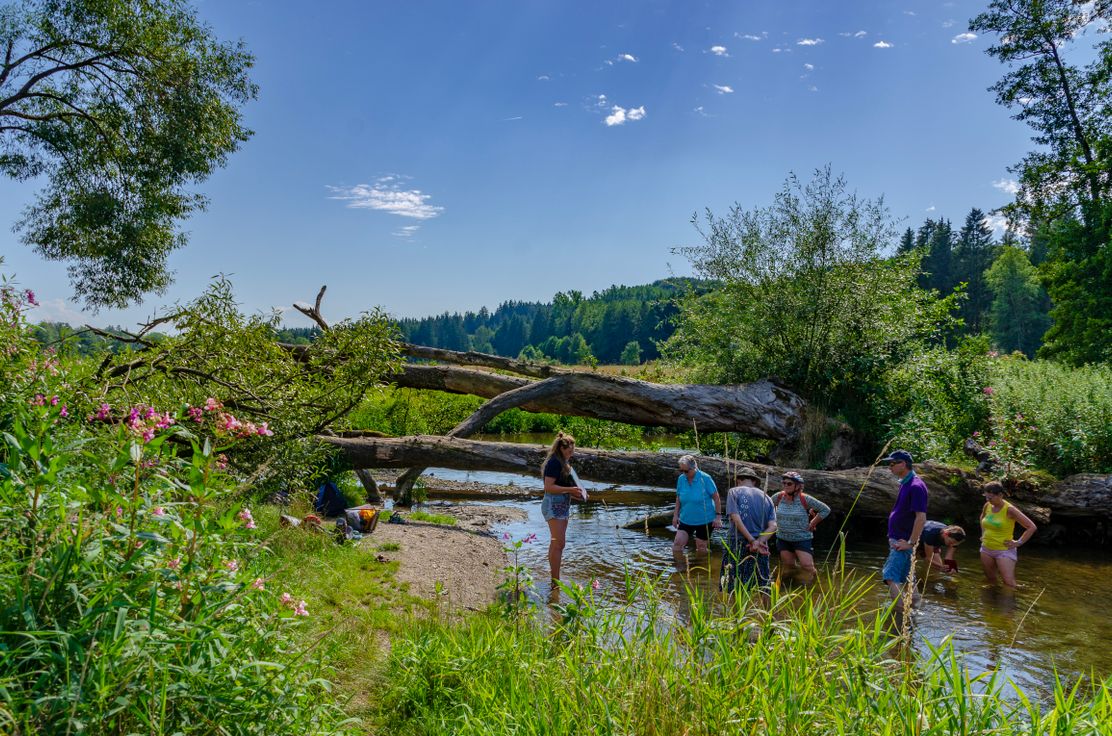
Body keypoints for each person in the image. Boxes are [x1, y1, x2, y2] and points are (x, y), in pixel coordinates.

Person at [881, 450, 928, 606]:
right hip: (901, 538)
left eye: (892, 464)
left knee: (890, 576)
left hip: (902, 540)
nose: (890, 467)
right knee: (909, 579)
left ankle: (900, 613)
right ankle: (916, 609)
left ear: (903, 464)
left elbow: (921, 518)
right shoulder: (906, 483)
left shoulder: (915, 486)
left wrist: (910, 543)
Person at [721, 466, 777, 598]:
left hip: (738, 542)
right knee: (763, 584)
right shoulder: (767, 497)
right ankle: (767, 611)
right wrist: (759, 541)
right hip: (761, 546)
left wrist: (751, 540)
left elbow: (736, 519)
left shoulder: (733, 491)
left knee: (733, 582)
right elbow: (773, 526)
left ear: (738, 480)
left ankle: (736, 611)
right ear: (754, 481)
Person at [541, 431, 586, 583]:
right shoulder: (554, 462)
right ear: (561, 448)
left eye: (573, 450)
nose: (571, 453)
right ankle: (555, 582)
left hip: (562, 505)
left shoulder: (564, 463)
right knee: (559, 544)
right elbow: (548, 487)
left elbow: (563, 488)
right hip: (553, 505)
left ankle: (554, 580)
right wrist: (570, 490)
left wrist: (577, 494)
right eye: (569, 450)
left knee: (557, 544)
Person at [770, 471, 831, 579]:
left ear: (798, 486)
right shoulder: (778, 497)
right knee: (789, 565)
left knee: (807, 566)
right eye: (784, 483)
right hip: (783, 538)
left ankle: (817, 583)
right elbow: (766, 507)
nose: (785, 485)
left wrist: (813, 522)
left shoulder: (804, 499)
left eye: (789, 483)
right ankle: (792, 584)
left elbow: (825, 510)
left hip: (802, 538)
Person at [979, 481, 1037, 588]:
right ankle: (992, 598)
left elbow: (1031, 527)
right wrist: (983, 533)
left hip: (1004, 550)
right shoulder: (987, 505)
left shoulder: (1010, 510)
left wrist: (1018, 543)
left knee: (1009, 583)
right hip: (986, 549)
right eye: (986, 497)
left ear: (1000, 495)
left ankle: (1012, 598)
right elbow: (982, 517)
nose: (988, 500)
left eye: (990, 497)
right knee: (990, 579)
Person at [671, 454, 722, 555]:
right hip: (686, 519)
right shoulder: (681, 479)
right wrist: (675, 515)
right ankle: (679, 565)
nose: (684, 473)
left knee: (701, 547)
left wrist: (718, 517)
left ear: (694, 467)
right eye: (681, 470)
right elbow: (678, 498)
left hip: (705, 520)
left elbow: (716, 498)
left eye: (686, 471)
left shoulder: (705, 478)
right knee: (677, 545)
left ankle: (703, 565)